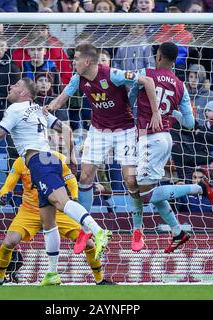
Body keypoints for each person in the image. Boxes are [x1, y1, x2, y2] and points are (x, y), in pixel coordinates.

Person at [0, 78, 111, 285]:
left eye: (15, 85)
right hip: (48, 159)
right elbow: (67, 130)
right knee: (48, 223)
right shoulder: (38, 109)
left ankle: (98, 231)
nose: (10, 87)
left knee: (62, 203)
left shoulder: (15, 108)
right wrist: (72, 158)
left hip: (38, 161)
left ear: (24, 93)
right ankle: (52, 274)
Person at [46, 42, 160, 253]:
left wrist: (155, 112)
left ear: (87, 61)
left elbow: (148, 81)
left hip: (124, 129)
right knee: (85, 177)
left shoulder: (113, 74)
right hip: (98, 130)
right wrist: (49, 107)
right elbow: (62, 98)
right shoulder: (78, 78)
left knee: (130, 179)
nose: (73, 63)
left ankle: (137, 229)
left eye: (77, 59)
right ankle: (86, 229)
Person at [128, 42, 213, 252]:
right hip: (165, 138)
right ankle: (178, 232)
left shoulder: (145, 73)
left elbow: (131, 96)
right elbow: (190, 123)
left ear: (158, 56)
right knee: (146, 189)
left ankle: (200, 188)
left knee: (145, 195)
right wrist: (173, 113)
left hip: (149, 137)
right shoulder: (180, 85)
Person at [0, 151, 114, 285]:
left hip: (57, 210)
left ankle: (100, 279)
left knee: (88, 244)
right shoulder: (20, 162)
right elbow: (8, 185)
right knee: (9, 242)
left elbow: (71, 180)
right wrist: (3, 195)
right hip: (29, 211)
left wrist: (74, 197)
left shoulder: (56, 158)